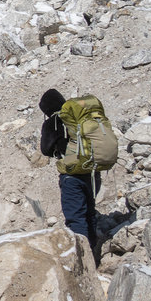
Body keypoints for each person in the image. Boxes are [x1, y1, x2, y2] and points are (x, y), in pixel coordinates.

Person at [40, 88, 111, 247]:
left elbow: (45, 150)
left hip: (72, 175)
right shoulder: (80, 116)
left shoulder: (54, 121)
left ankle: (83, 260)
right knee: (89, 214)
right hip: (93, 172)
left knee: (76, 218)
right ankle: (93, 255)